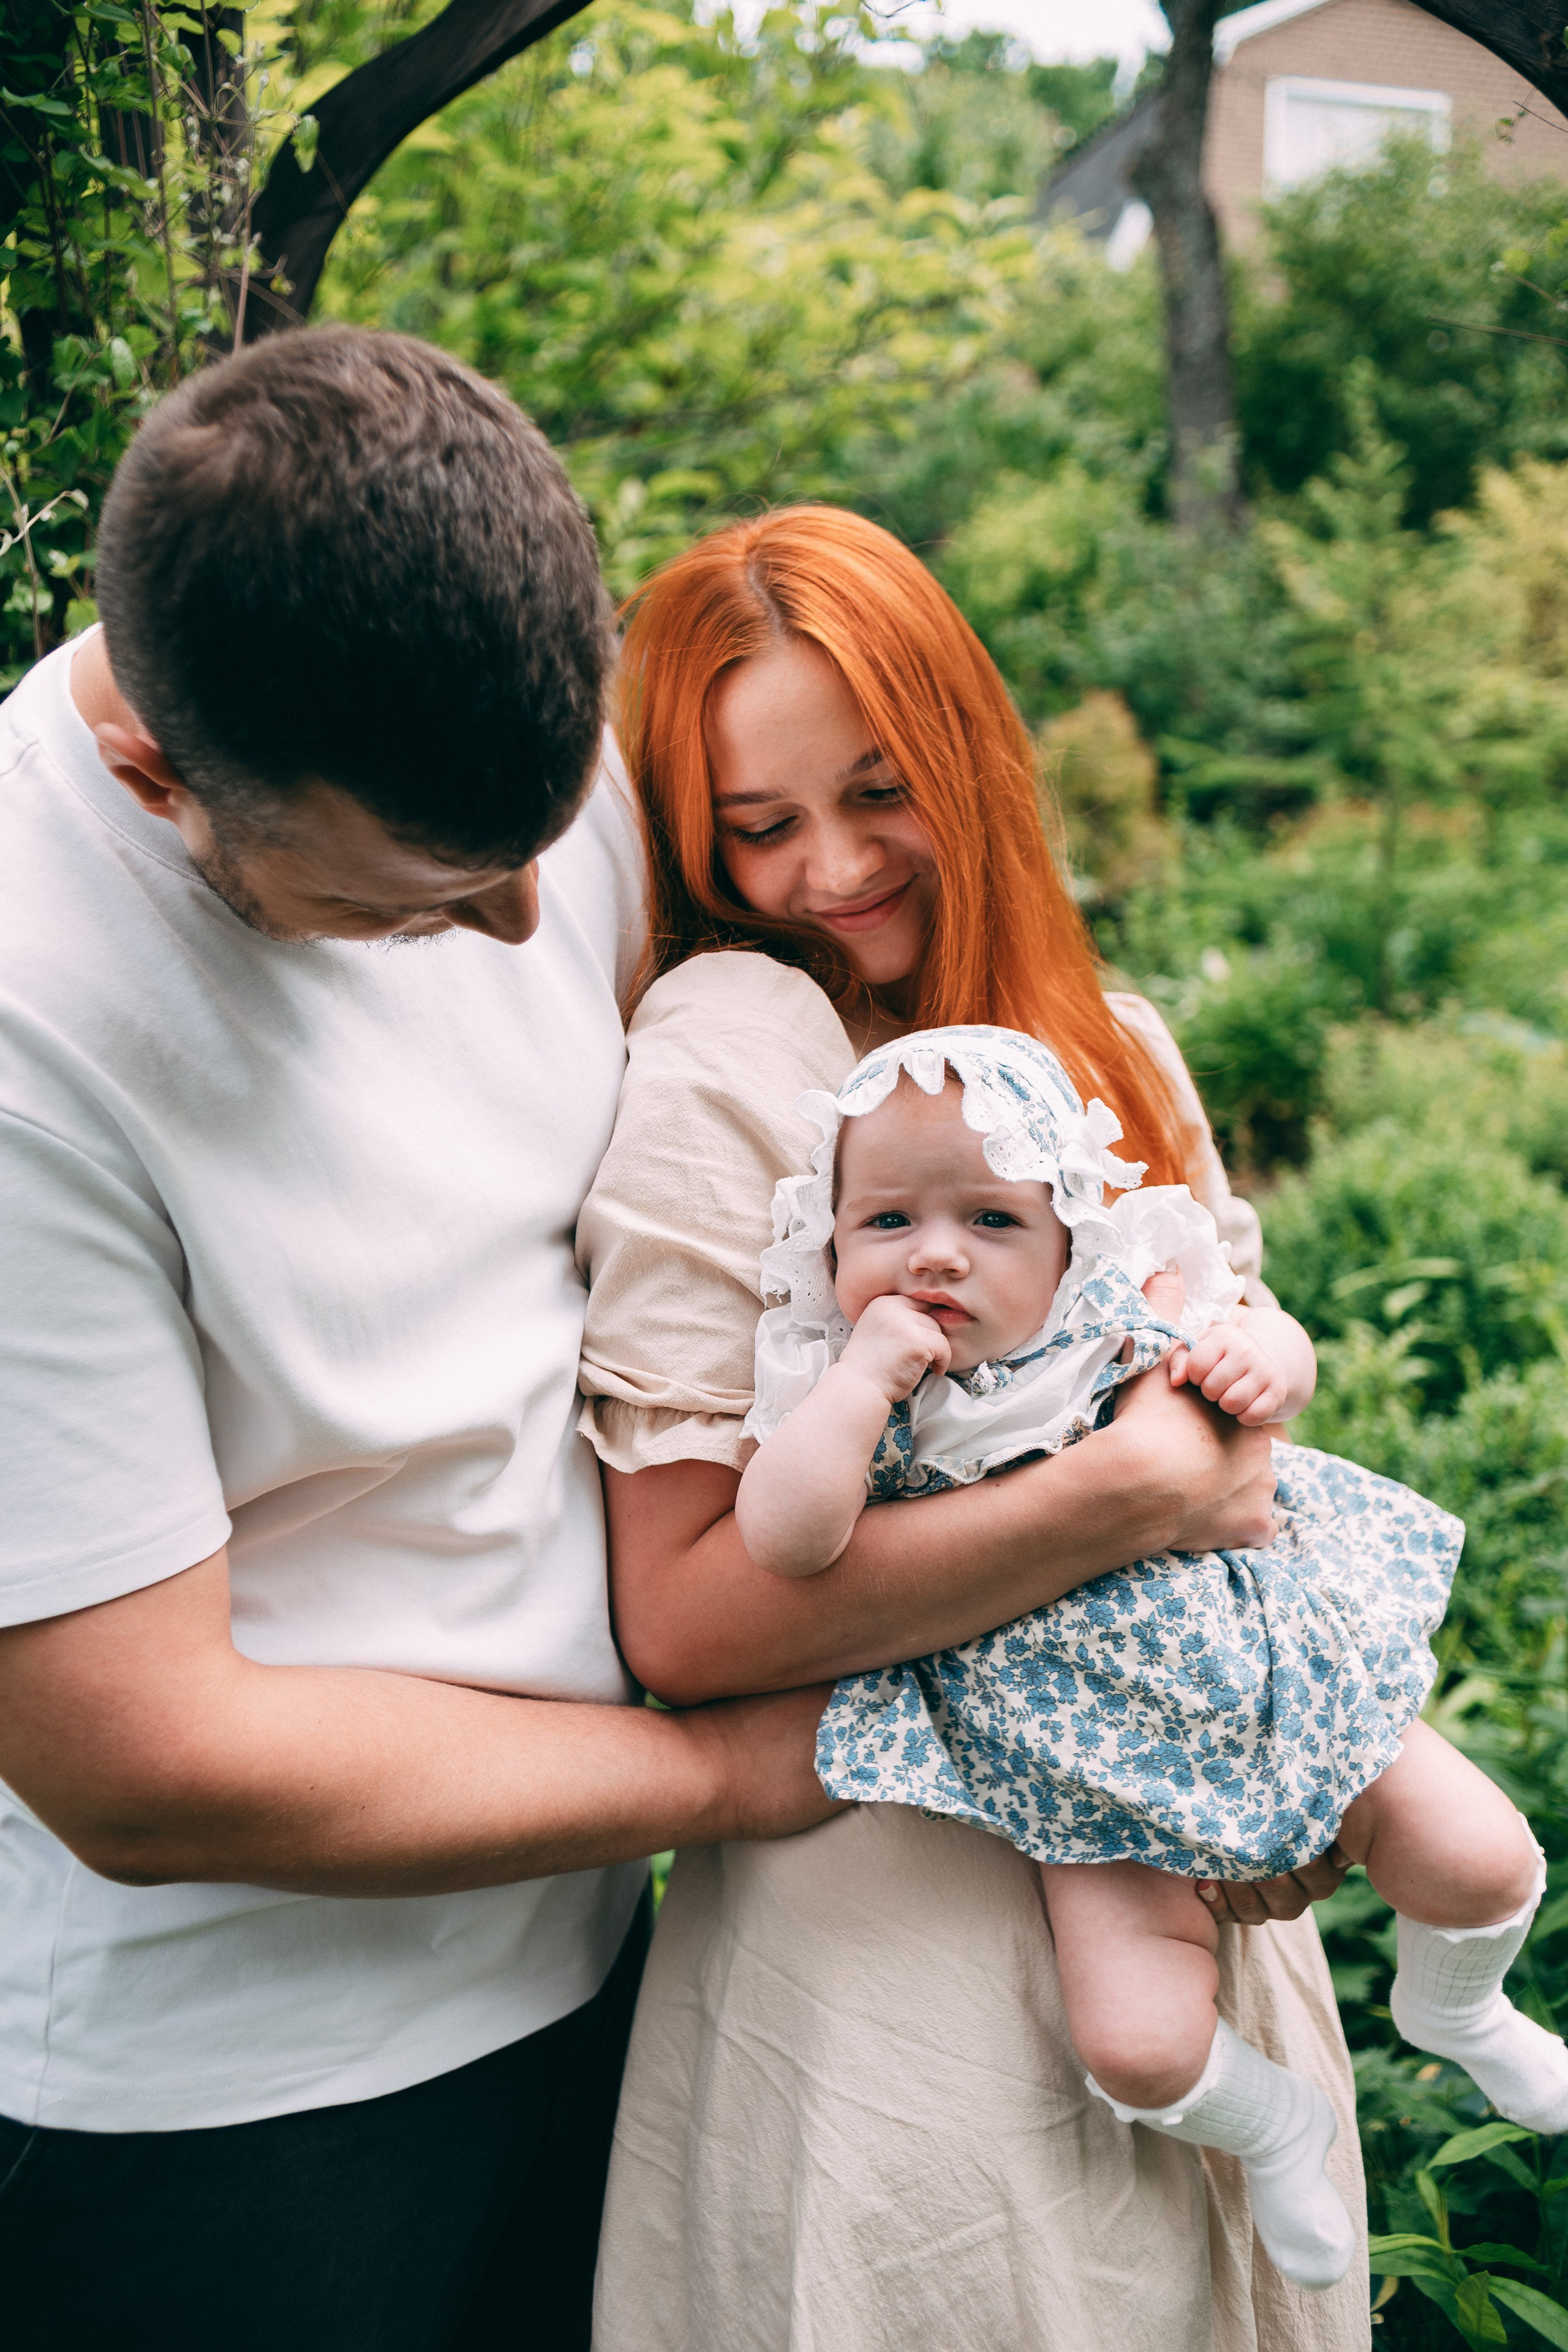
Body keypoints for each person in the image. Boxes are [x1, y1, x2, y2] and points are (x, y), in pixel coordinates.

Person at [0, 329, 837, 2352]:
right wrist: (732, 1772)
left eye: (540, 850)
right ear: (154, 779)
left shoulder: (504, 780)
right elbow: (144, 1759)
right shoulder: (33, 1042)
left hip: (596, 1967)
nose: (522, 937)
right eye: (420, 905)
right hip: (237, 2121)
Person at [579, 505, 1375, 2350]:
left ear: (967, 760)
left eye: (878, 791)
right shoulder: (736, 1053)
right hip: (896, 1981)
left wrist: (1303, 1752)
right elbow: (685, 1615)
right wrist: (1128, 1492)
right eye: (758, 825)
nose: (833, 868)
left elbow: (1257, 1470)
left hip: (1191, 1889)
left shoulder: (1111, 1052)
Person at [737, 1021, 1565, 2291]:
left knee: (1481, 1858)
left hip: (1272, 1667)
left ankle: (1454, 2007)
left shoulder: (1123, 1308)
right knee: (1133, 2045)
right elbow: (787, 1545)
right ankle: (1268, 2123)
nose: (935, 1253)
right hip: (1079, 1766)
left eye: (992, 1222)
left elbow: (1272, 1354)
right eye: (885, 1221)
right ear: (827, 1239)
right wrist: (856, 1390)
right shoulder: (849, 1391)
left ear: (1067, 1236)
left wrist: (1261, 1361)